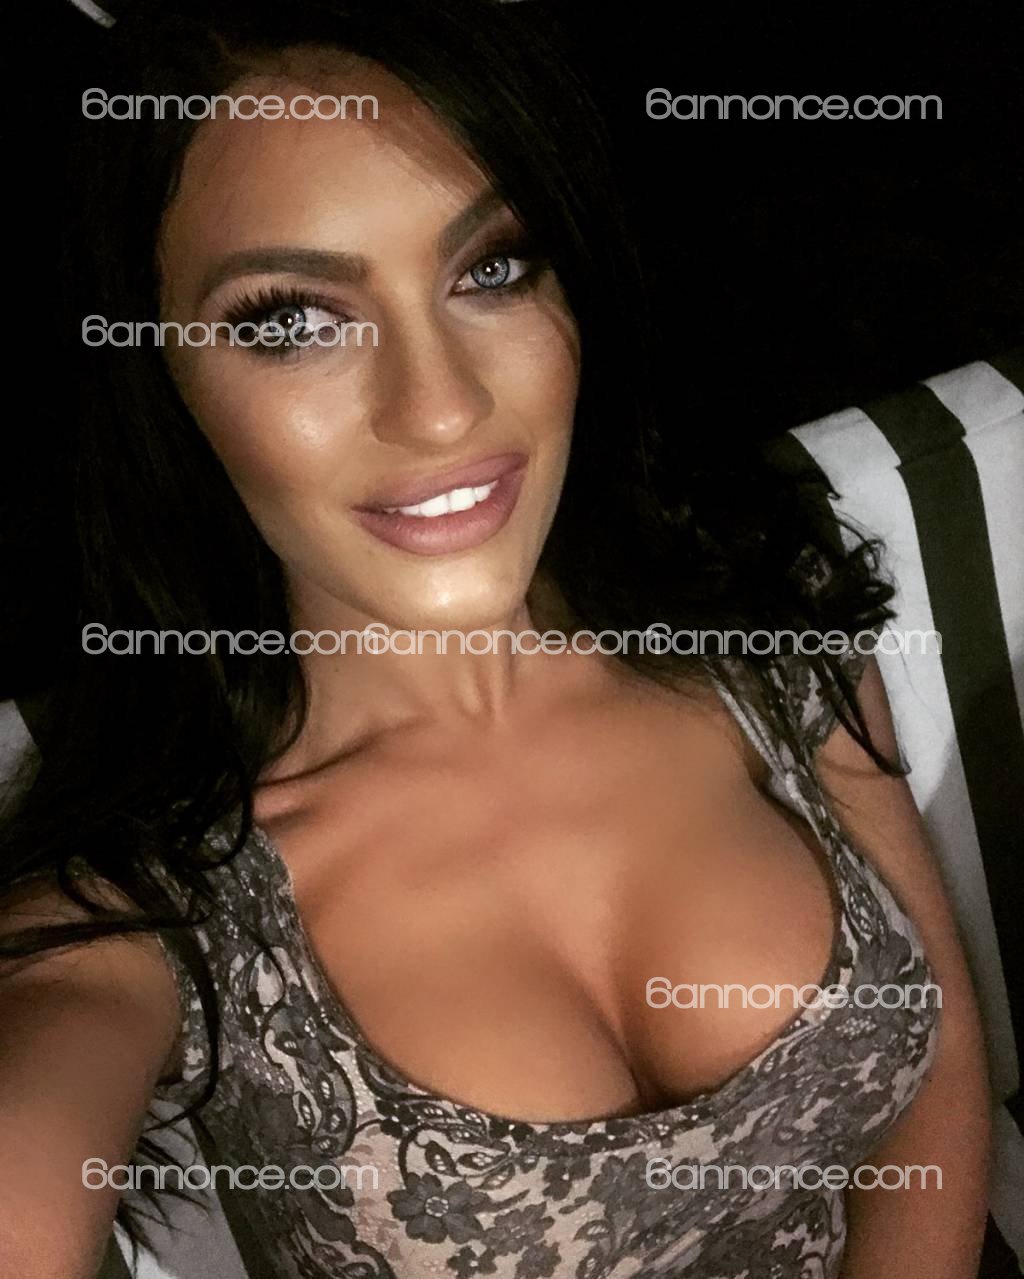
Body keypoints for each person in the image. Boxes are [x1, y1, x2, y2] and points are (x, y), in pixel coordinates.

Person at [1, 2, 989, 1276]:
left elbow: (933, 1074)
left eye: (491, 268)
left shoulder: (751, 617)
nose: (440, 407)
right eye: (290, 320)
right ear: (161, 379)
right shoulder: (149, 915)